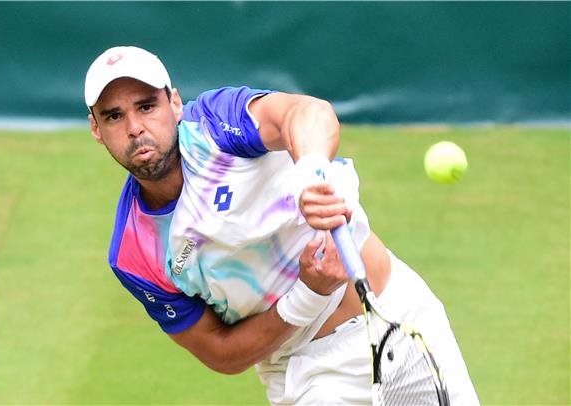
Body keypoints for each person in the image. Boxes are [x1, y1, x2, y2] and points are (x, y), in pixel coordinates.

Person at [85, 46, 479, 405]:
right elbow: (221, 353)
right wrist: (306, 296)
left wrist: (311, 172)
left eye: (146, 106)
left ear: (174, 103)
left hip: (401, 314)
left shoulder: (216, 126)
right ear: (96, 130)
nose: (135, 127)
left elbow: (306, 113)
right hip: (309, 376)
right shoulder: (135, 254)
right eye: (115, 116)